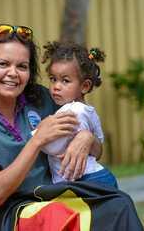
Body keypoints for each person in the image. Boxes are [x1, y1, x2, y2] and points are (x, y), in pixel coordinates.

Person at [0, 24, 144, 230]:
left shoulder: (41, 99)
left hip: (54, 198)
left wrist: (86, 138)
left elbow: (97, 152)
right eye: (3, 64)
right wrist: (38, 139)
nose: (13, 73)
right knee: (60, 216)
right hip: (4, 217)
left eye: (22, 66)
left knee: (118, 204)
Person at [34, 41, 118, 188]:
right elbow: (97, 149)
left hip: (85, 180)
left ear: (85, 86)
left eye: (65, 81)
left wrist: (38, 131)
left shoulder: (72, 111)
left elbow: (51, 147)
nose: (56, 87)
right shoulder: (88, 110)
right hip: (97, 175)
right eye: (53, 79)